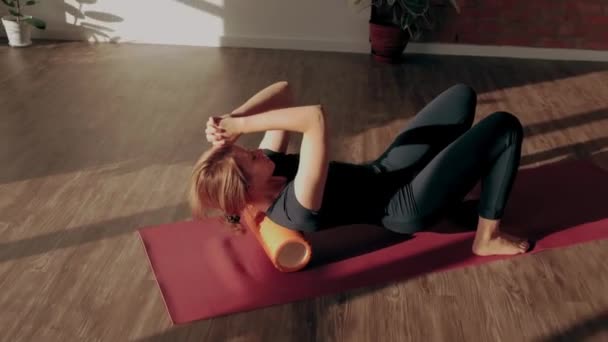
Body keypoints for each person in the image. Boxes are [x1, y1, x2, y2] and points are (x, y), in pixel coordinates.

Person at [190, 81, 530, 256]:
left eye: (247, 150)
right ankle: (488, 237)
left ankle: (462, 185)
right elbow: (314, 118)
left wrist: (232, 118)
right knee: (504, 125)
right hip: (407, 204)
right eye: (249, 158)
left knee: (462, 96)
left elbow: (284, 91)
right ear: (248, 190)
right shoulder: (295, 207)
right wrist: (244, 125)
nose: (257, 152)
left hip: (387, 169)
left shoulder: (267, 167)